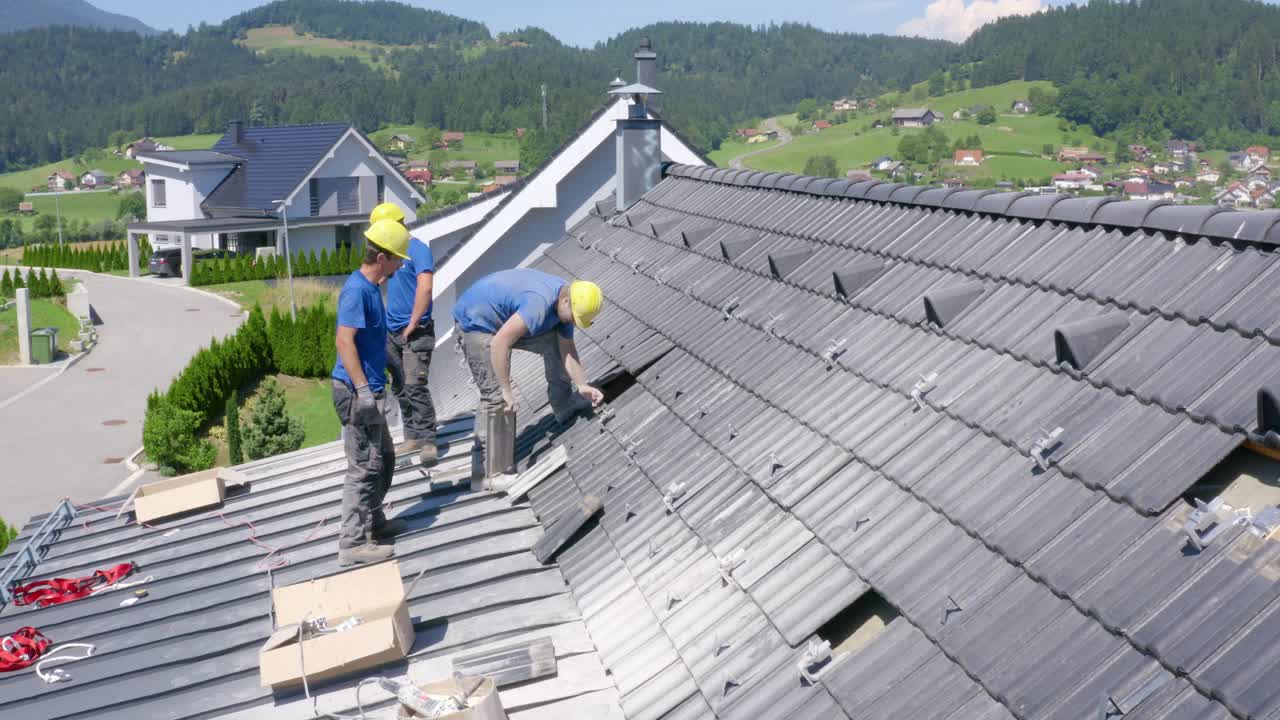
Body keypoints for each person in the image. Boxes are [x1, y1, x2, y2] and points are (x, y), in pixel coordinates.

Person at [453, 269, 605, 478]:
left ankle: (563, 405)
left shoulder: (566, 301)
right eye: (574, 317)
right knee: (497, 396)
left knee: (554, 343)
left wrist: (582, 385)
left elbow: (567, 348)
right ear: (566, 302)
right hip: (476, 322)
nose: (572, 322)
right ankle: (492, 470)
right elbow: (500, 343)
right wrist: (507, 389)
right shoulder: (538, 305)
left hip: (506, 319)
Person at [332, 219, 410, 566]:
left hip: (371, 390)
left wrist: (394, 368)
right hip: (355, 393)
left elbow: (375, 341)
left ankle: (374, 523)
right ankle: (352, 544)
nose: (401, 265)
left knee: (385, 460)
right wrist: (363, 389)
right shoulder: (356, 291)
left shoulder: (373, 288)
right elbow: (344, 341)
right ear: (381, 257)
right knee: (363, 468)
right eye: (397, 259)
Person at [374, 202, 439, 467]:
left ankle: (429, 441)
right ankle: (411, 436)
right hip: (392, 331)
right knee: (400, 386)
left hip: (416, 331)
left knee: (415, 385)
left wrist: (413, 322)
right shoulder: (391, 251)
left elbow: (425, 287)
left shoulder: (417, 249)